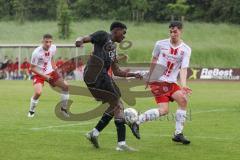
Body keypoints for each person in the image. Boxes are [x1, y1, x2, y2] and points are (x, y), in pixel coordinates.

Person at [75, 22, 142, 151]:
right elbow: (83, 38)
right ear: (116, 30)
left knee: (114, 105)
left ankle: (93, 133)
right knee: (118, 104)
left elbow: (117, 71)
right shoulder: (103, 35)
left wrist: (133, 74)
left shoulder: (113, 49)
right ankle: (121, 145)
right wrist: (79, 41)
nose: (124, 36)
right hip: (96, 74)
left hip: (99, 76)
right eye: (123, 32)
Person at [138, 21, 192, 144]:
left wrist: (183, 85)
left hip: (171, 82)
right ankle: (137, 121)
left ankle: (178, 134)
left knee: (183, 100)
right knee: (164, 110)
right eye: (171, 31)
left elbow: (183, 68)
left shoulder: (186, 49)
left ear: (181, 31)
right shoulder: (160, 44)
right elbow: (154, 59)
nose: (173, 34)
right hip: (158, 80)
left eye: (175, 31)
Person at [27, 34, 70, 118]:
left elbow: (51, 58)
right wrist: (45, 76)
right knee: (38, 93)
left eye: (50, 42)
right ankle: (31, 111)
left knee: (66, 86)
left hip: (50, 72)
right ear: (42, 41)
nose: (48, 44)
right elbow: (32, 68)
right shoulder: (36, 53)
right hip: (38, 74)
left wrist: (56, 69)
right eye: (46, 42)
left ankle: (63, 109)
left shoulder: (53, 48)